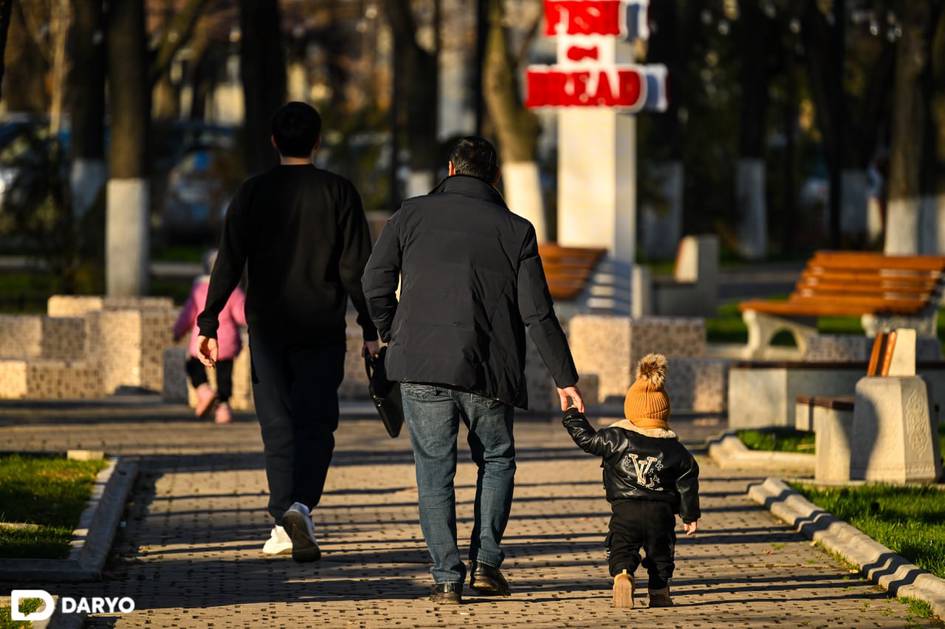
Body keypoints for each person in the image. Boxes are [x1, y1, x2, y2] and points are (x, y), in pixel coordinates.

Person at [362, 136, 584, 605]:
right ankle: (485, 564)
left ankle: (446, 577)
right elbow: (537, 314)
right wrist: (565, 378)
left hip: (420, 363)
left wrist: (391, 330)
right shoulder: (516, 229)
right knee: (497, 459)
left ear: (450, 168)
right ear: (495, 177)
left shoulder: (410, 214)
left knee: (433, 470)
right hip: (487, 364)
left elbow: (374, 281)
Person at [195, 101, 379, 562]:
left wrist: (209, 320)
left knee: (277, 424)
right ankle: (298, 508)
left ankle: (283, 517)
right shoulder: (339, 192)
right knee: (317, 422)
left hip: (269, 329)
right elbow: (358, 269)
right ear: (318, 141)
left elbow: (230, 260)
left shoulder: (253, 192)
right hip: (321, 325)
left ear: (274, 141)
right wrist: (373, 327)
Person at [562, 354, 700, 609]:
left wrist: (572, 416)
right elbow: (687, 480)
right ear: (664, 412)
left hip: (625, 511)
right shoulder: (675, 449)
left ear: (631, 409)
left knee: (621, 546)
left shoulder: (616, 438)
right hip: (661, 514)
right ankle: (659, 592)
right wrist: (689, 515)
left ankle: (623, 574)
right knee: (661, 555)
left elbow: (588, 440)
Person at [173, 250, 246, 425]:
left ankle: (204, 390)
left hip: (203, 339)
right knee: (224, 374)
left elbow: (188, 315)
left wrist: (178, 331)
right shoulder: (233, 290)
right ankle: (223, 408)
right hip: (227, 342)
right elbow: (242, 314)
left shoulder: (198, 289)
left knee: (193, 365)